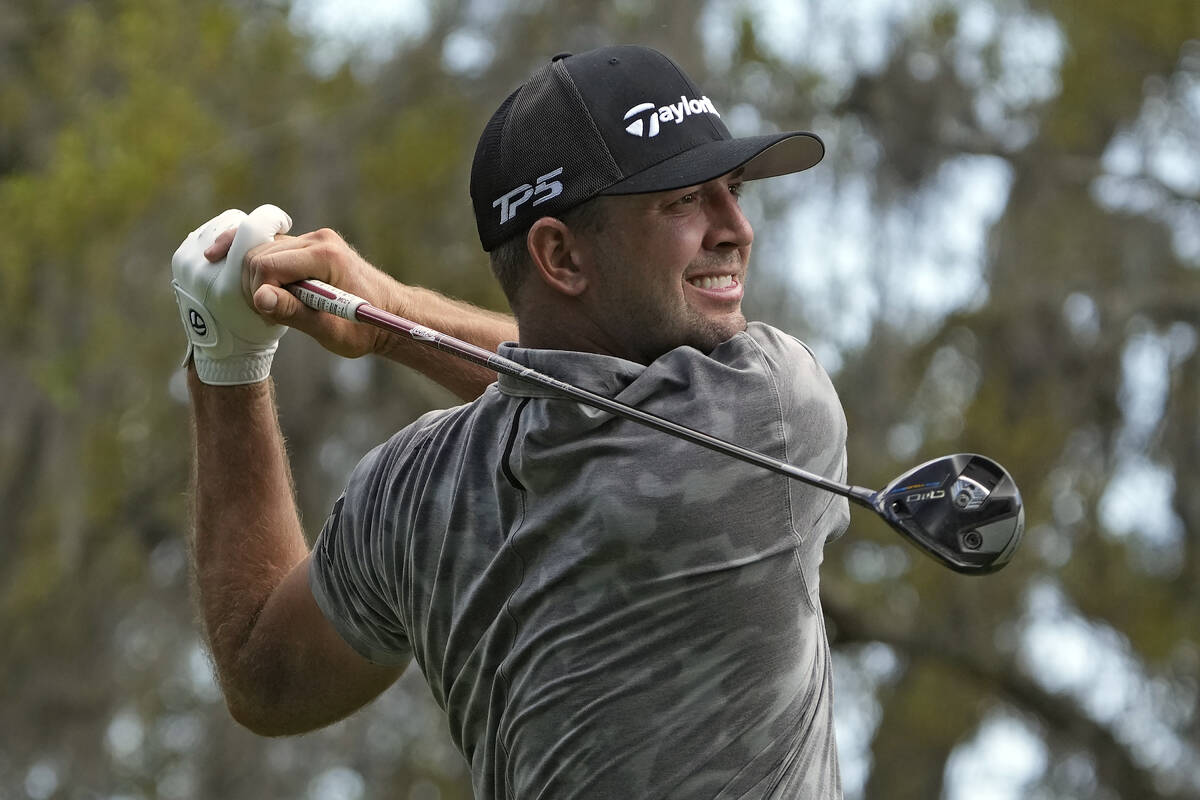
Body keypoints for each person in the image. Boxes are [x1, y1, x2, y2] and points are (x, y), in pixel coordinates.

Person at [172, 45, 849, 799]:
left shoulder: (415, 492)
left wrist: (225, 357)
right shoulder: (778, 404)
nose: (736, 229)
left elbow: (267, 680)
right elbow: (582, 398)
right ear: (560, 255)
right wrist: (389, 317)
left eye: (732, 189)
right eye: (683, 201)